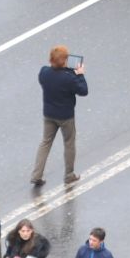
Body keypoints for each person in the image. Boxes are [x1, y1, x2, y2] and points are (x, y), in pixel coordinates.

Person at [32, 46, 87, 187]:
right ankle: (69, 175)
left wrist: (66, 71)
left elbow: (56, 75)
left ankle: (36, 175)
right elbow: (83, 91)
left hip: (49, 114)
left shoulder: (43, 73)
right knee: (69, 143)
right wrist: (79, 74)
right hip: (65, 116)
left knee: (45, 142)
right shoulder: (69, 79)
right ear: (64, 62)